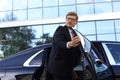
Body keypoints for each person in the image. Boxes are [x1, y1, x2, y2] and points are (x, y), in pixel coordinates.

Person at [46, 11, 83, 80]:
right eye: (68, 18)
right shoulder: (60, 29)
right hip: (58, 69)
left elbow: (75, 52)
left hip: (68, 69)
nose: (69, 20)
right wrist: (69, 44)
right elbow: (59, 42)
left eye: (72, 19)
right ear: (65, 20)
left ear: (76, 22)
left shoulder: (75, 34)